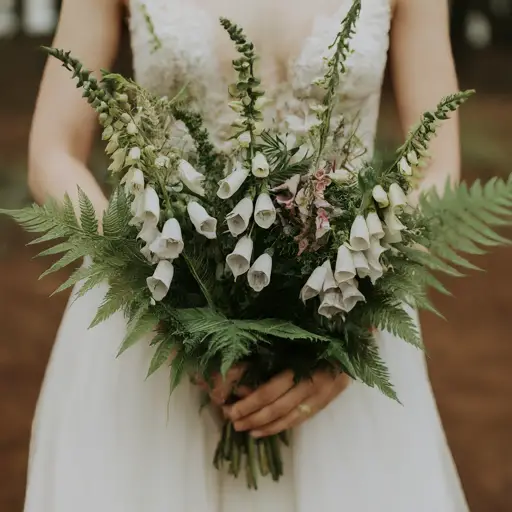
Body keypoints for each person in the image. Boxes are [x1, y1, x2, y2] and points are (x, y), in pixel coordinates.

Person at [24, 0, 470, 510]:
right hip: (155, 325)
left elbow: (437, 165)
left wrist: (357, 317)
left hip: (345, 309)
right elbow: (52, 152)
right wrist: (153, 285)